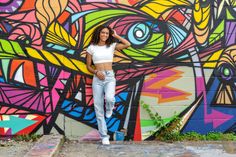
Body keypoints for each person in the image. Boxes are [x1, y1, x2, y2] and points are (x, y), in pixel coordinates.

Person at [86, 25, 131, 145]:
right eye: (103, 33)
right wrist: (96, 72)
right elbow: (88, 66)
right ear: (98, 34)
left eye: (107, 33)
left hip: (110, 77)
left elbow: (127, 44)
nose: (105, 35)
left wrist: (115, 35)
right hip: (97, 78)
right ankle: (104, 136)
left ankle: (110, 107)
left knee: (110, 98)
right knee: (98, 107)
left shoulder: (111, 46)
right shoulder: (91, 48)